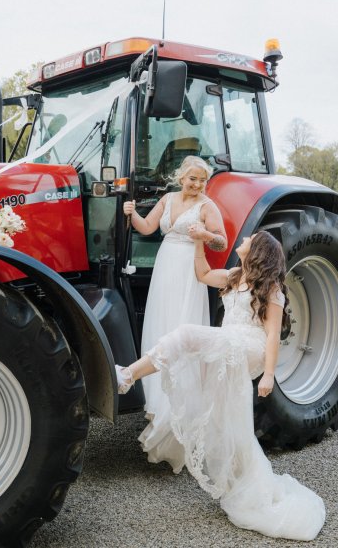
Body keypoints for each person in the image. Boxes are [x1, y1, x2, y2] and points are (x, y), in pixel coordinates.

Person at [115, 231, 325, 541]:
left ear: (259, 250)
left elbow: (270, 336)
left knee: (186, 335)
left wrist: (268, 375)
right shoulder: (233, 275)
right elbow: (201, 273)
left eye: (250, 238)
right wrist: (198, 238)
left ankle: (127, 376)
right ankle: (247, 480)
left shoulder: (272, 288)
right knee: (223, 414)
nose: (244, 239)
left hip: (249, 345)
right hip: (230, 341)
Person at [123, 155, 227, 472]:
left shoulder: (208, 206)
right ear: (181, 177)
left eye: (201, 180)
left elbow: (221, 243)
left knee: (181, 329)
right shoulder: (167, 199)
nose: (196, 184)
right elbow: (148, 227)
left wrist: (204, 236)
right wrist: (132, 214)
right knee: (161, 327)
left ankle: (180, 418)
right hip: (165, 268)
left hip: (187, 273)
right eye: (192, 178)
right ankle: (157, 403)